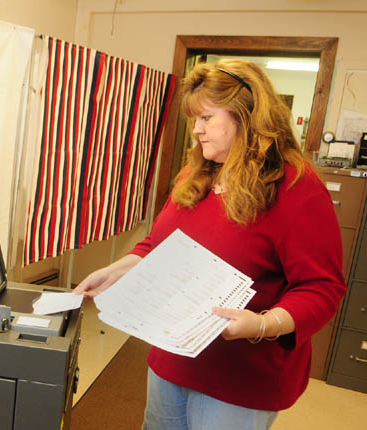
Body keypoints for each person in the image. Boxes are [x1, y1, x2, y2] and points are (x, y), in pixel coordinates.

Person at [74, 59, 346, 430]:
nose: (197, 130)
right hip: (172, 357)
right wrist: (114, 272)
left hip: (239, 376)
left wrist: (261, 324)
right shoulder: (196, 173)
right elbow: (158, 245)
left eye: (206, 118)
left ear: (246, 117)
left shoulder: (296, 188)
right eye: (195, 119)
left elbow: (321, 288)